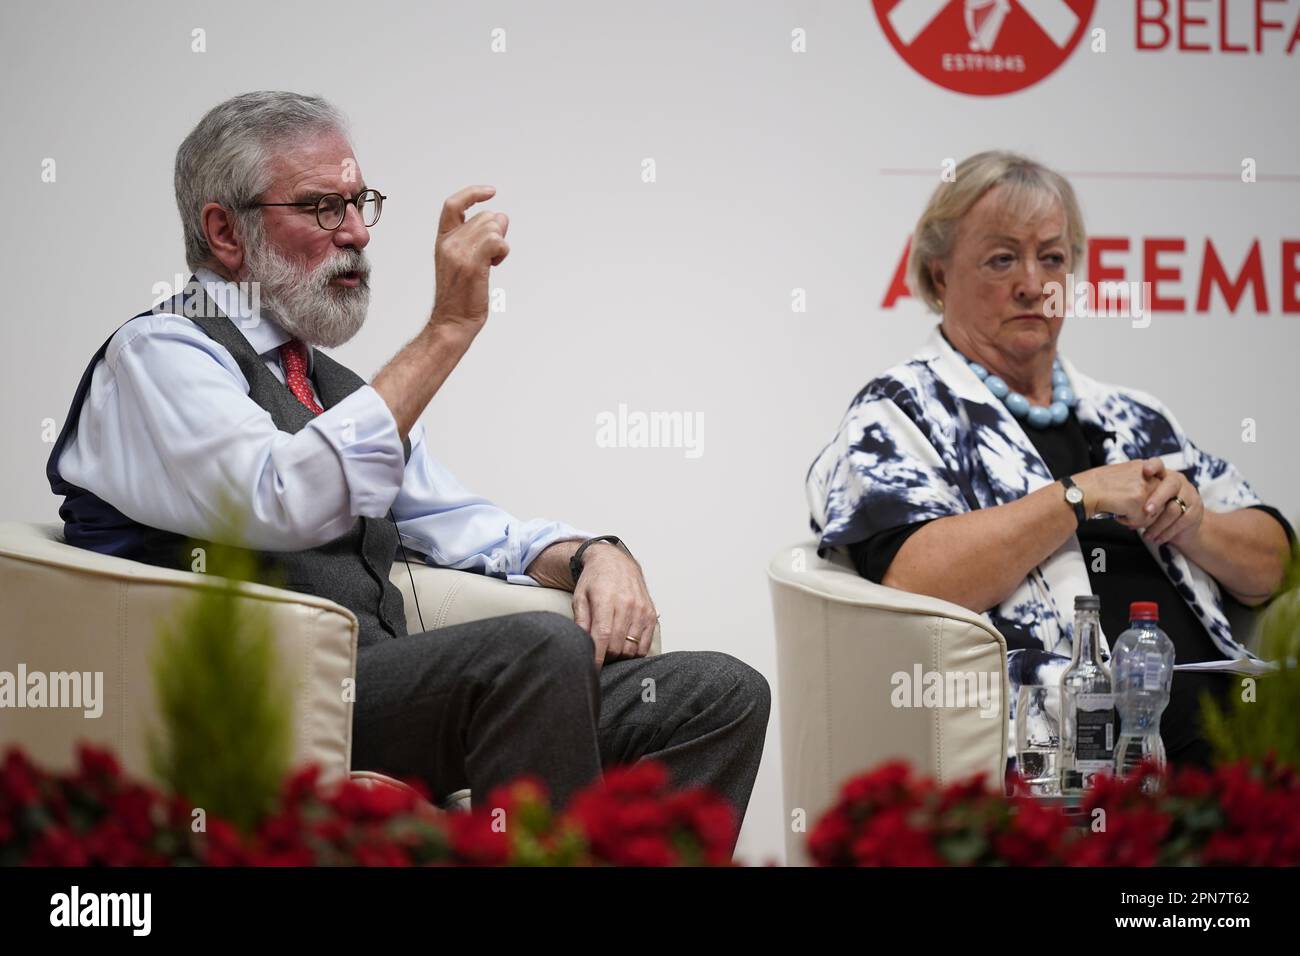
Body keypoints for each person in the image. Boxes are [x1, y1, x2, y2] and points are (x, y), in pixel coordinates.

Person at [47, 91, 769, 849]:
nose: (356, 233)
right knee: (535, 651)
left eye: (360, 203)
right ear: (225, 230)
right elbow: (279, 495)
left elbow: (464, 525)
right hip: (250, 703)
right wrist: (449, 328)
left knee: (717, 694)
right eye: (323, 208)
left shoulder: (334, 388)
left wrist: (594, 553)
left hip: (368, 690)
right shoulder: (159, 355)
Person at [806, 150, 1293, 770]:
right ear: (938, 277)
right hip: (1057, 759)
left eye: (1053, 258)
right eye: (1002, 258)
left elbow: (1276, 563)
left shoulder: (1133, 415)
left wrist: (1198, 527)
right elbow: (916, 578)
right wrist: (1077, 496)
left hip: (1228, 745)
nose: (1034, 283)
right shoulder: (900, 411)